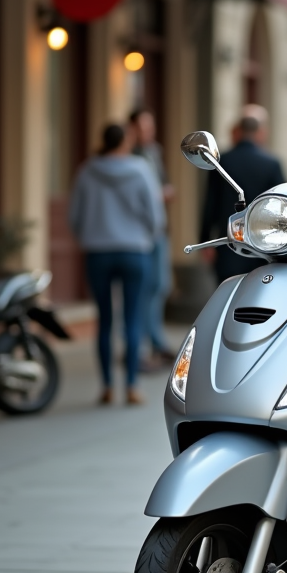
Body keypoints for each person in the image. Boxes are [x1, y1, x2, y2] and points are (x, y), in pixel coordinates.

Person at [69, 123, 165, 405]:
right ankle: (132, 385)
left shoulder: (86, 171)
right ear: (125, 142)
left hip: (98, 251)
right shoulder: (141, 169)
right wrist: (147, 238)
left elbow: (74, 216)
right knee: (133, 318)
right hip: (135, 251)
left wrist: (88, 237)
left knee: (104, 320)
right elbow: (155, 215)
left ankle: (107, 386)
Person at [199, 104, 286, 282]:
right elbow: (281, 207)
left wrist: (205, 241)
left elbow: (211, 203)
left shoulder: (222, 162)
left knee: (228, 293)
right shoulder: (271, 164)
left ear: (239, 131)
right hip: (262, 248)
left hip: (229, 245)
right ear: (259, 132)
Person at [129, 108, 176, 369]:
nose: (148, 132)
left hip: (159, 230)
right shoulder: (130, 157)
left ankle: (156, 341)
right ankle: (139, 348)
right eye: (143, 127)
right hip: (139, 234)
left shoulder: (154, 151)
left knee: (160, 285)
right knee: (142, 289)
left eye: (150, 127)